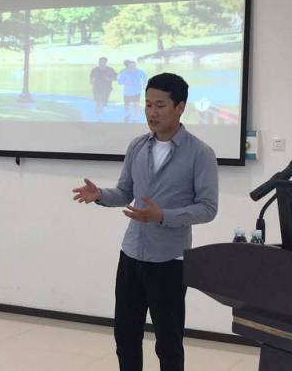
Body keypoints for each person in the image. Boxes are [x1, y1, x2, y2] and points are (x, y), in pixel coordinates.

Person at [72, 73, 218, 371]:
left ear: (180, 107)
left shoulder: (200, 154)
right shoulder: (137, 146)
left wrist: (163, 216)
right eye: (148, 105)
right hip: (132, 254)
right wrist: (100, 195)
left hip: (169, 260)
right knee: (125, 337)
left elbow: (207, 208)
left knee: (168, 343)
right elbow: (125, 192)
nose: (152, 112)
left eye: (160, 105)